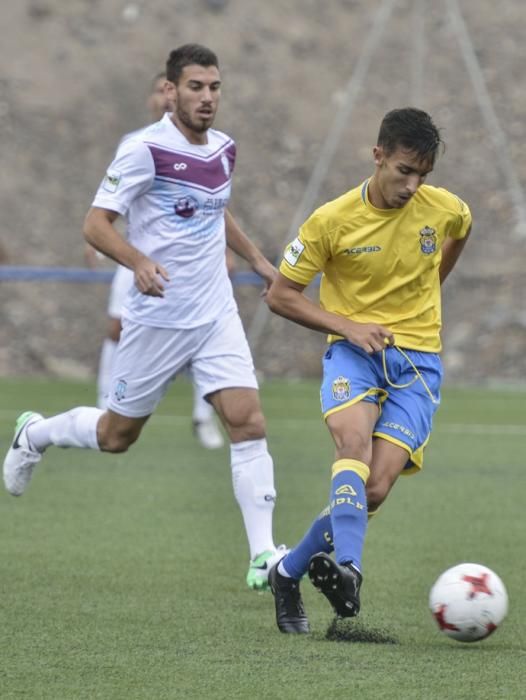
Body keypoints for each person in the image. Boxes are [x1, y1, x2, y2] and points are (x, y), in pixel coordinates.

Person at [3, 44, 286, 591]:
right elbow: (95, 223)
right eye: (196, 87)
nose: (207, 98)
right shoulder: (144, 150)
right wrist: (137, 261)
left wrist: (257, 261)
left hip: (214, 311)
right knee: (116, 436)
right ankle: (35, 433)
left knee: (248, 420)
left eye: (215, 87)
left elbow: (216, 207)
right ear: (172, 90)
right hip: (158, 317)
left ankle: (262, 555)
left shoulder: (224, 149)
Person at [265, 107, 472, 633]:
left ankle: (287, 573)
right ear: (378, 155)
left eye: (422, 174)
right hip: (353, 355)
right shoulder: (331, 222)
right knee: (352, 445)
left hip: (418, 363)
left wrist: (433, 282)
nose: (412, 185)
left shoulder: (441, 208)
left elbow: (461, 229)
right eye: (404, 170)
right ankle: (350, 570)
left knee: (373, 489)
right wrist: (348, 326)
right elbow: (281, 295)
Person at [87, 71, 234, 450]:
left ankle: (204, 418)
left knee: (207, 333)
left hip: (192, 268)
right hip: (138, 258)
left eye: (211, 88)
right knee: (118, 329)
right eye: (157, 92)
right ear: (159, 97)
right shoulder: (137, 144)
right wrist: (106, 245)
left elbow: (214, 206)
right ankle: (106, 404)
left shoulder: (212, 146)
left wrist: (229, 250)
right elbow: (111, 205)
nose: (164, 100)